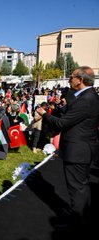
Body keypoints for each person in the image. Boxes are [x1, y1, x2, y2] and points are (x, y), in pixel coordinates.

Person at [36, 66, 99, 228]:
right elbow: (76, 116)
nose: (70, 79)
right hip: (82, 147)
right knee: (80, 186)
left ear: (80, 80)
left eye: (72, 77)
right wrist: (62, 107)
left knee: (76, 188)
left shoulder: (86, 99)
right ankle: (79, 214)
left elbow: (62, 123)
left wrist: (44, 114)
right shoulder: (87, 96)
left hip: (77, 150)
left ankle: (76, 221)